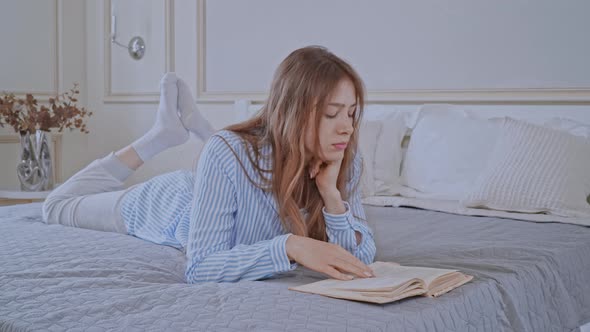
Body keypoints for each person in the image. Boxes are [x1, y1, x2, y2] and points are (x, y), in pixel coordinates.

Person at [43, 45, 376, 283]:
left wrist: (332, 199)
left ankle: (201, 134)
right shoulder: (229, 153)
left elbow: (359, 260)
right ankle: (160, 136)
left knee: (225, 150)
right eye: (332, 113)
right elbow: (200, 267)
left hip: (223, 171)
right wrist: (289, 246)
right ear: (295, 112)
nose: (346, 126)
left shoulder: (344, 158)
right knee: (56, 206)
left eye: (351, 113)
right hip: (174, 205)